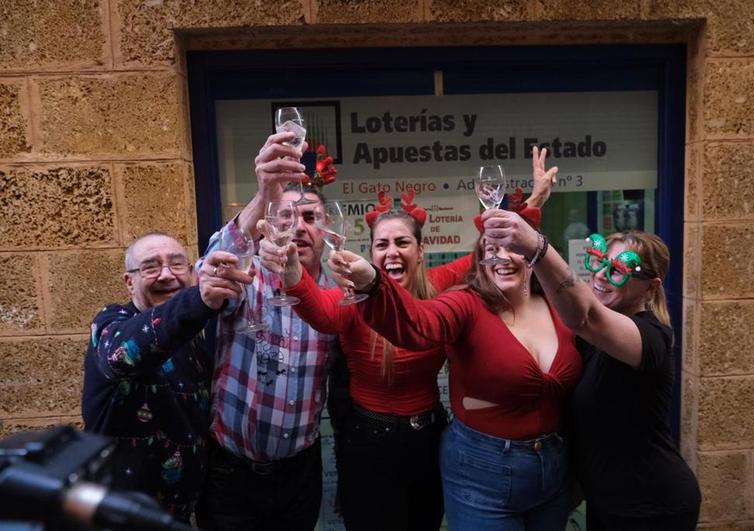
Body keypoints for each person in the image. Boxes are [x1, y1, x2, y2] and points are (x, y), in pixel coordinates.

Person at [258, 146, 557, 531]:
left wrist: (533, 203)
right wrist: (293, 271)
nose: (392, 252)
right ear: (371, 254)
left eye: (402, 243)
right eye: (382, 244)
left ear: (421, 251)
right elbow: (320, 311)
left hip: (426, 439)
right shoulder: (353, 296)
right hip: (366, 442)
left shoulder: (439, 284)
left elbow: (492, 247)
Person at [480, 211, 701, 530]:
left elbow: (585, 317)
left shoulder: (652, 339)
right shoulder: (587, 340)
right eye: (599, 262)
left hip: (654, 505)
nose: (599, 275)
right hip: (604, 502)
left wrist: (538, 247)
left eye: (618, 271)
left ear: (649, 288)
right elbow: (547, 293)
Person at [195, 132, 340, 531]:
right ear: (269, 227)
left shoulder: (338, 295)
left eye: (311, 218)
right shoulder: (247, 276)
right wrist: (264, 194)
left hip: (299, 474)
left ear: (326, 229)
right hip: (231, 474)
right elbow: (211, 269)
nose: (299, 228)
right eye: (286, 218)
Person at [82, 232, 248, 520]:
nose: (166, 275)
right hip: (116, 514)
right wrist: (199, 299)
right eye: (150, 267)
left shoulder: (195, 336)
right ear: (129, 281)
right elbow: (121, 355)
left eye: (177, 265)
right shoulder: (111, 322)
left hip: (178, 515)